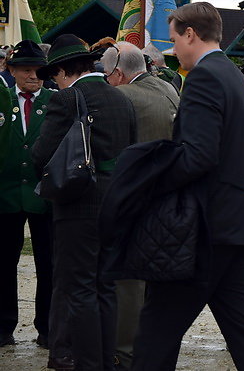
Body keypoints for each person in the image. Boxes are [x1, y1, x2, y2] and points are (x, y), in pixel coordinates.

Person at [130, 2, 244, 371]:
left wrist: (151, 179)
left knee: (156, 328)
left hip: (207, 226)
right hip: (236, 221)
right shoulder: (233, 77)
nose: (173, 48)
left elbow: (198, 155)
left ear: (191, 34)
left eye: (175, 38)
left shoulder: (204, 77)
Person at [32, 34, 137, 371]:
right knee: (105, 287)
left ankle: (89, 364)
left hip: (78, 206)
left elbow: (41, 154)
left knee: (79, 290)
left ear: (63, 71)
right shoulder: (122, 99)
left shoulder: (68, 99)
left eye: (56, 76)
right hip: (115, 204)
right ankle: (107, 360)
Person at [100, 42, 179, 370]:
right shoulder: (171, 89)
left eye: (106, 76)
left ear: (118, 74)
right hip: (172, 200)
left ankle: (125, 352)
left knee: (129, 281)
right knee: (159, 284)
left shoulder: (121, 97)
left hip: (136, 200)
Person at [0, 41, 55, 350]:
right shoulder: (3, 100)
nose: (33, 75)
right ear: (12, 71)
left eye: (38, 70)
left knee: (48, 264)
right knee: (4, 263)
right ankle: (4, 325)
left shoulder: (55, 101)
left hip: (43, 194)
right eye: (25, 69)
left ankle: (47, 327)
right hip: (6, 195)